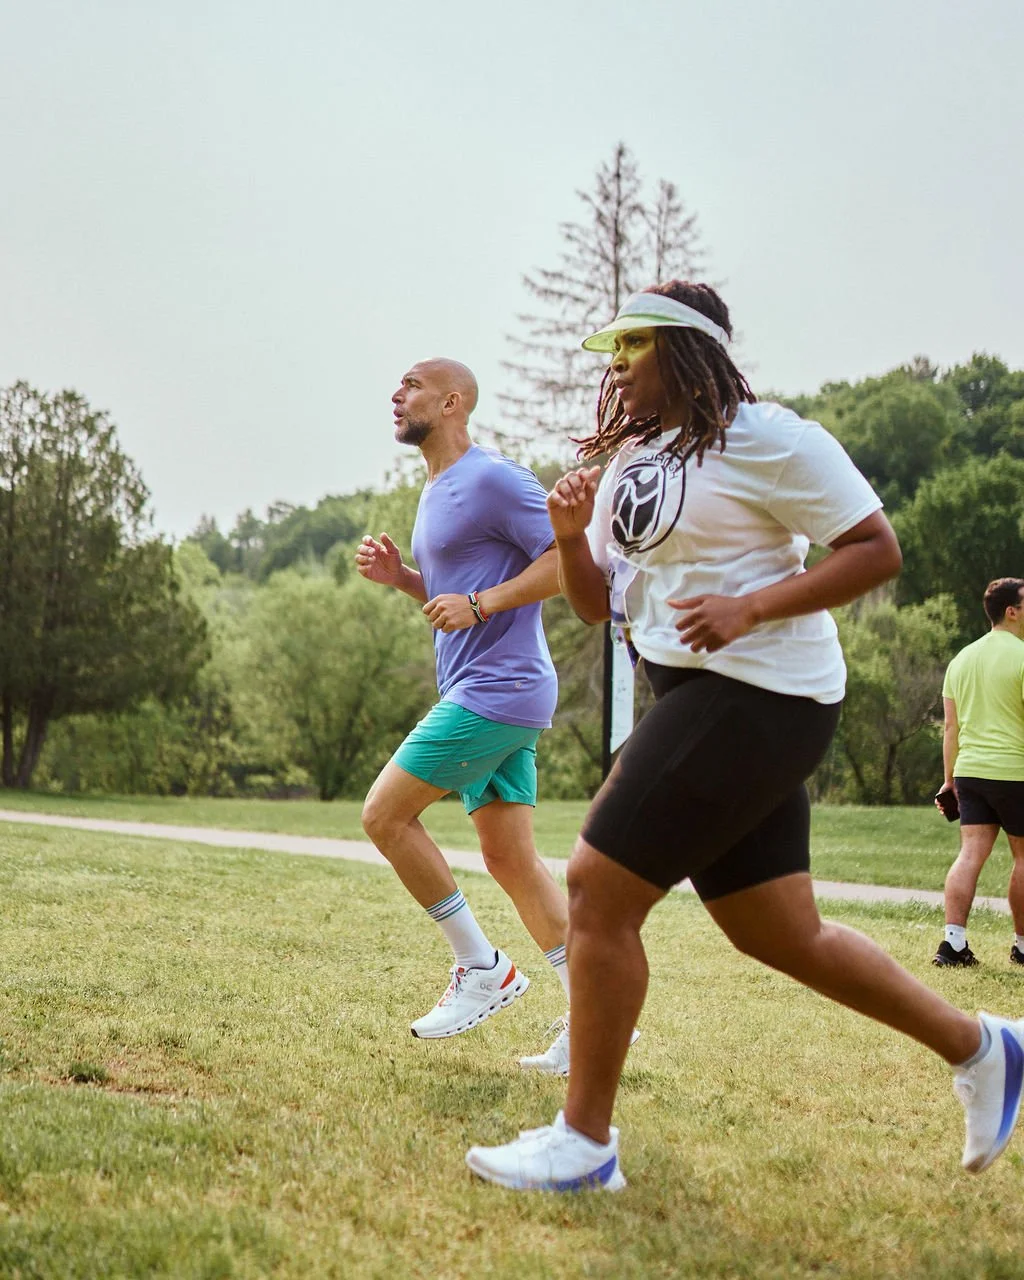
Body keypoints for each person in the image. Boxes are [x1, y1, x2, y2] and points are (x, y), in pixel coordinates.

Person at [465, 283, 1024, 1191]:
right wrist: (570, 538)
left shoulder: (772, 438)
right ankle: (985, 1047)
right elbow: (595, 607)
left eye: (633, 348)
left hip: (763, 694)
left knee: (596, 891)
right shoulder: (631, 460)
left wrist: (750, 606)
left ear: (686, 351)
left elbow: (875, 548)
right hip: (692, 694)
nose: (616, 368)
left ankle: (583, 1143)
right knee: (780, 930)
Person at [356, 357, 572, 1067]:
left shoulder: (492, 477)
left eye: (411, 384)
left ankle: (481, 967)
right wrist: (404, 582)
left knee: (384, 815)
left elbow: (566, 562)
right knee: (511, 860)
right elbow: (456, 593)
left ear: (452, 403)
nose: (396, 393)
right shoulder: (437, 489)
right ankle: (593, 1012)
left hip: (498, 690)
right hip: (487, 689)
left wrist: (482, 604)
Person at [933, 578, 1024, 968]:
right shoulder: (1022, 656)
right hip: (1014, 771)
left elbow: (950, 729)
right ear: (1012, 611)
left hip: (970, 772)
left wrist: (949, 781)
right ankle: (1023, 947)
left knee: (970, 854)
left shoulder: (961, 659)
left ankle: (953, 943)